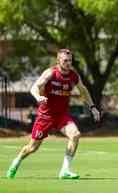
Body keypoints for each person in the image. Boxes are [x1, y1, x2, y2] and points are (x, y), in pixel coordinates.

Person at [6, 49, 101, 179]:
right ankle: (16, 162)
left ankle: (65, 171)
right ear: (58, 61)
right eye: (65, 61)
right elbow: (34, 87)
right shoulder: (51, 73)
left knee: (75, 135)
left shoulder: (73, 75)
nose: (68, 63)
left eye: (70, 61)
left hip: (62, 116)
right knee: (32, 148)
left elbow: (83, 91)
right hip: (45, 116)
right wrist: (38, 97)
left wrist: (93, 107)